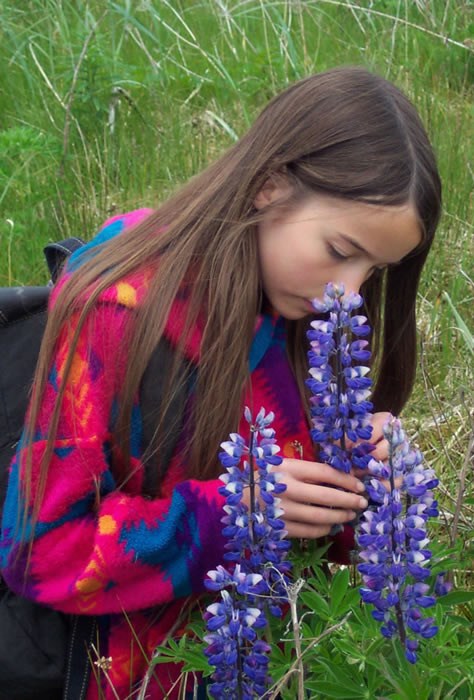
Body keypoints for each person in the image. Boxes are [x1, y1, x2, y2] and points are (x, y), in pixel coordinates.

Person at [0, 66, 441, 699]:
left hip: (268, 663)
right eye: (340, 249)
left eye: (375, 270)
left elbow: (312, 548)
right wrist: (238, 511)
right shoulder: (116, 317)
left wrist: (367, 493)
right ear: (268, 187)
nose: (347, 292)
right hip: (131, 676)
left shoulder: (300, 315)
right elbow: (39, 551)